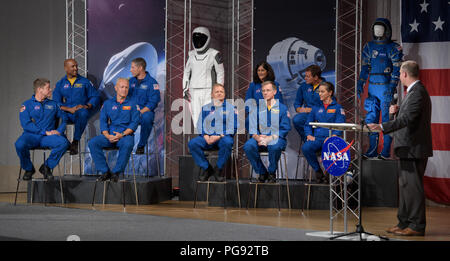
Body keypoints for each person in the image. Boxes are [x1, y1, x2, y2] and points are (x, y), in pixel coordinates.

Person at [368, 61, 432, 236]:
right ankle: (403, 223)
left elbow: (407, 120)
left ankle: (417, 226)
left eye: (400, 74)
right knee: (405, 188)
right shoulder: (411, 93)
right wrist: (394, 112)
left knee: (413, 189)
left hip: (414, 148)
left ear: (404, 74)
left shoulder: (418, 92)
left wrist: (382, 126)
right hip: (406, 147)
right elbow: (404, 118)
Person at [357, 18, 403, 159]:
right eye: (375, 28)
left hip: (386, 88)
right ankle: (372, 150)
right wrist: (360, 84)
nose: (377, 30)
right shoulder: (369, 47)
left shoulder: (394, 48)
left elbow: (397, 69)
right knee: (371, 119)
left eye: (380, 28)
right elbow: (365, 68)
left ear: (387, 30)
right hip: (372, 88)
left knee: (387, 122)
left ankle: (385, 152)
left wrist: (392, 85)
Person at [15, 78, 70, 180]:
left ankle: (47, 167)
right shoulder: (27, 105)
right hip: (32, 136)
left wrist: (59, 131)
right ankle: (28, 168)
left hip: (47, 137)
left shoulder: (53, 104)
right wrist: (44, 132)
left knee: (63, 143)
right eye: (48, 88)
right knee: (19, 144)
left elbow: (64, 119)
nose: (50, 90)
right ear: (40, 89)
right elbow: (26, 124)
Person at [88, 78, 140, 182]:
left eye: (126, 87)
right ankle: (105, 172)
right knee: (93, 143)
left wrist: (122, 134)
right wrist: (107, 135)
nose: (124, 90)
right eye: (122, 87)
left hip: (125, 136)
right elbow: (103, 122)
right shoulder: (108, 104)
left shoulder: (133, 104)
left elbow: (134, 123)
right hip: (110, 136)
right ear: (116, 88)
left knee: (128, 144)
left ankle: (116, 173)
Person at [188, 84, 238, 182]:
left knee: (228, 142)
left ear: (224, 94)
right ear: (212, 94)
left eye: (221, 92)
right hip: (208, 138)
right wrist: (205, 136)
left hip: (223, 137)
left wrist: (218, 136)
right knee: (192, 144)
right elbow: (200, 125)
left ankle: (218, 169)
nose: (219, 93)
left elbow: (233, 126)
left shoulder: (231, 108)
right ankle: (207, 168)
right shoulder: (205, 108)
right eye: (217, 92)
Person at [243, 81, 291, 183]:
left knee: (274, 146)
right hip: (260, 138)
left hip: (276, 138)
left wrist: (269, 138)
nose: (265, 93)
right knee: (248, 146)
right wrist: (258, 138)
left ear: (274, 92)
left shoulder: (282, 108)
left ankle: (272, 172)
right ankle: (262, 172)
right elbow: (252, 128)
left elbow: (285, 129)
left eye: (268, 90)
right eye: (263, 91)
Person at [53, 59, 100, 155]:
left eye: (76, 66)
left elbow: (95, 96)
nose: (76, 68)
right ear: (66, 68)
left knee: (83, 112)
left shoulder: (84, 81)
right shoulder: (60, 83)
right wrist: (69, 109)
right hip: (67, 113)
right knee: (55, 114)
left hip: (80, 113)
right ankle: (65, 142)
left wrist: (87, 105)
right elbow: (56, 102)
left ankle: (75, 141)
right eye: (73, 66)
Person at [302, 82, 346, 183]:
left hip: (331, 139)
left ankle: (329, 173)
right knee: (306, 147)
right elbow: (307, 124)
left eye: (322, 91)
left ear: (330, 93)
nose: (320, 94)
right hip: (318, 139)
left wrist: (333, 136)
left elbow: (340, 125)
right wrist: (309, 135)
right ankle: (318, 171)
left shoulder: (338, 108)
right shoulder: (316, 108)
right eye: (319, 91)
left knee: (331, 147)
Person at [182, 26, 225, 128]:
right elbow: (186, 73)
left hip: (209, 91)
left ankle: (210, 141)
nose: (198, 42)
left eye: (201, 39)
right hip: (193, 91)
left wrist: (218, 91)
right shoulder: (191, 54)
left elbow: (220, 73)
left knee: (209, 119)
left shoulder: (214, 54)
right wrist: (184, 89)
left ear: (207, 39)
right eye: (196, 39)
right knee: (197, 120)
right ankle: (201, 141)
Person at [129, 57, 161, 154]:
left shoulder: (152, 82)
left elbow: (153, 101)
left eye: (133, 67)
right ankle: (125, 143)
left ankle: (141, 145)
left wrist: (141, 111)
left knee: (147, 118)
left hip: (145, 112)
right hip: (131, 111)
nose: (130, 70)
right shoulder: (131, 81)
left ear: (141, 68)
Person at [245, 61, 284, 130]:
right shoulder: (253, 85)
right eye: (258, 70)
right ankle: (255, 137)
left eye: (262, 70)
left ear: (267, 71)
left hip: (271, 112)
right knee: (249, 120)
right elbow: (248, 102)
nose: (260, 72)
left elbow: (279, 102)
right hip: (257, 112)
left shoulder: (275, 84)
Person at [292, 65, 325, 142]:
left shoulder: (326, 86)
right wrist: (299, 109)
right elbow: (297, 103)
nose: (305, 78)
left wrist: (313, 110)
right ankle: (308, 140)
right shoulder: (303, 86)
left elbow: (330, 105)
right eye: (305, 76)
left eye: (308, 76)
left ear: (316, 77)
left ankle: (319, 142)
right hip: (307, 115)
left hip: (322, 114)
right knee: (297, 120)